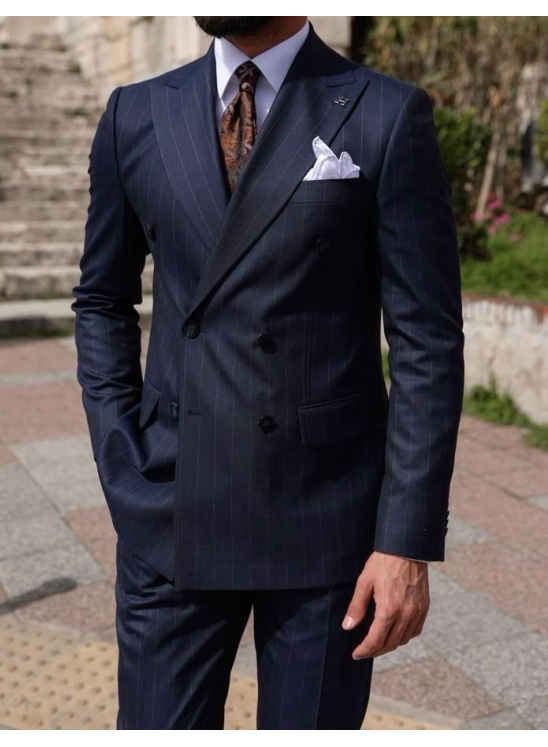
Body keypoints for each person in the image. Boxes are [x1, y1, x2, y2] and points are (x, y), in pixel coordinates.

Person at [72, 16, 464, 730]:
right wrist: (118, 447)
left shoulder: (383, 110)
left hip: (326, 524)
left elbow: (425, 340)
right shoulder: (138, 112)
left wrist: (405, 537)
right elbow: (102, 298)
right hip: (171, 507)